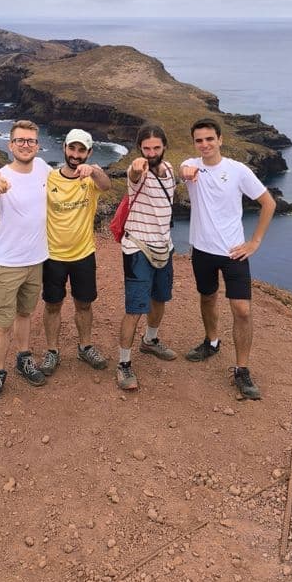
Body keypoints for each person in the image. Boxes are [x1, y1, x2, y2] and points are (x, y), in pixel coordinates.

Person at [180, 117, 276, 400]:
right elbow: (183, 168)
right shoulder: (191, 165)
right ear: (194, 144)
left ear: (220, 139)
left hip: (234, 253)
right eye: (199, 140)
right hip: (201, 250)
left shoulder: (237, 170)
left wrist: (255, 242)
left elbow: (268, 202)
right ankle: (211, 342)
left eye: (210, 139)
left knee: (242, 310)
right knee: (207, 298)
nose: (205, 144)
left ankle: (242, 369)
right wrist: (186, 171)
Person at [0, 120, 50, 406]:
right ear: (10, 145)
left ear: (37, 144)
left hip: (36, 260)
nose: (26, 145)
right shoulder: (1, 177)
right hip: (5, 262)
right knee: (2, 323)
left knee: (24, 314)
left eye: (31, 141)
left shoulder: (44, 167)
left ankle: (24, 358)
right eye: (20, 141)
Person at [39, 129, 112, 376]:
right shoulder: (49, 178)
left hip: (83, 254)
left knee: (84, 304)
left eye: (82, 150)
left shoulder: (91, 180)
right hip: (52, 256)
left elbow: (107, 184)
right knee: (52, 305)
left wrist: (94, 170)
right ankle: (52, 351)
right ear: (64, 148)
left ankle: (85, 346)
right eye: (72, 148)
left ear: (89, 152)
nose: (76, 155)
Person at [116, 124, 177, 391]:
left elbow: (166, 175)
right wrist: (136, 167)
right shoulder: (137, 173)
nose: (151, 153)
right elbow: (134, 172)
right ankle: (124, 364)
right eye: (146, 148)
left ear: (164, 147)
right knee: (135, 309)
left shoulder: (170, 170)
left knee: (160, 298)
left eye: (156, 148)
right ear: (139, 148)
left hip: (165, 246)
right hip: (138, 248)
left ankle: (150, 341)